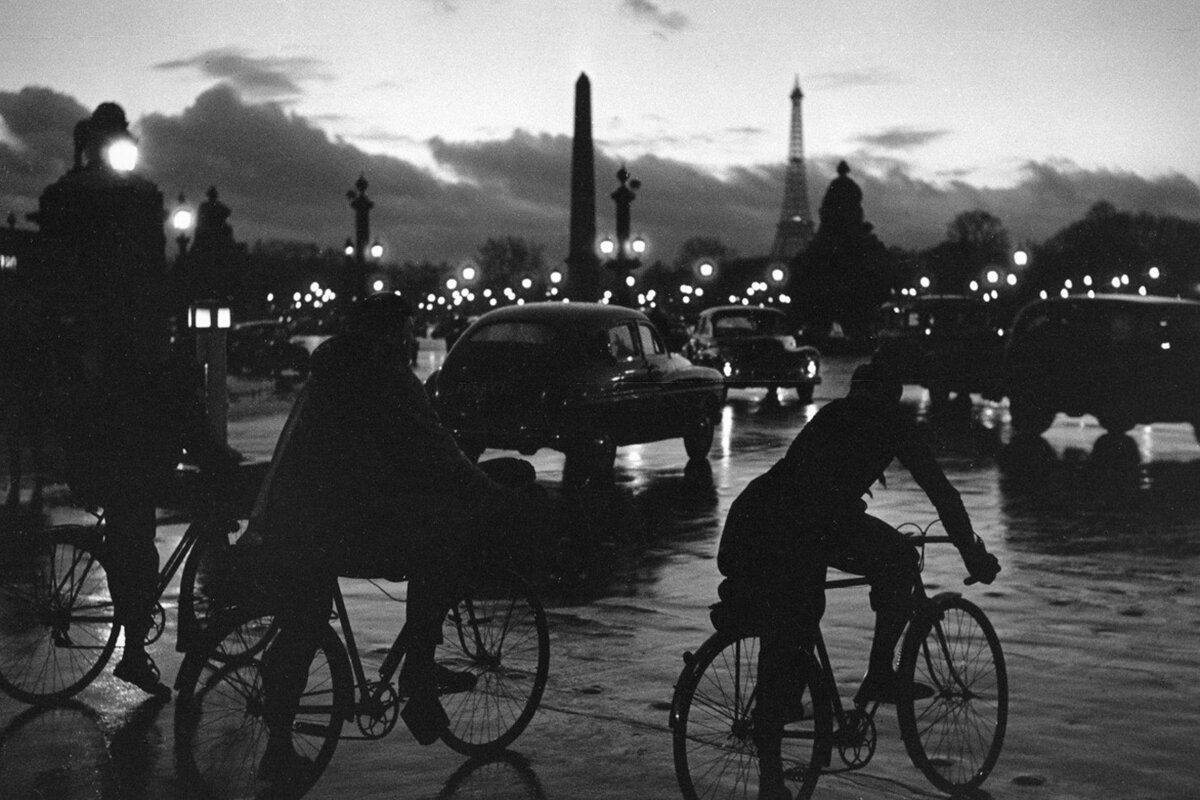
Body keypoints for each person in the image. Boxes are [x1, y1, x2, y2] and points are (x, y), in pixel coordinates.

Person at [253, 293, 538, 788]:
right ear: (388, 335)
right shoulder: (385, 375)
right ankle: (419, 679)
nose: (409, 340)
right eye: (406, 331)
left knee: (299, 628)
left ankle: (277, 745)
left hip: (293, 516)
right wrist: (490, 492)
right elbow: (433, 452)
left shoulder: (331, 372)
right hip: (340, 523)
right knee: (441, 549)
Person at [717, 359, 1000, 799]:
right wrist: (973, 554)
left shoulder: (834, 414)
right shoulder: (890, 423)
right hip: (807, 524)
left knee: (788, 632)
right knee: (900, 560)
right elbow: (941, 492)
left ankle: (773, 776)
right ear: (890, 397)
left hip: (757, 515)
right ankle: (879, 674)